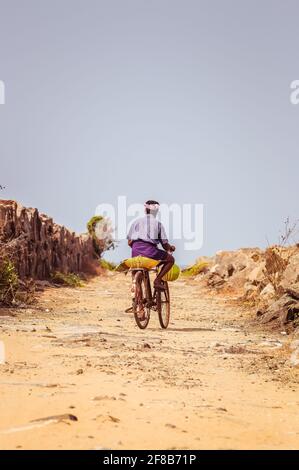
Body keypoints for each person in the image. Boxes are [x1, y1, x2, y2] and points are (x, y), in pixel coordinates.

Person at [127, 200, 175, 290]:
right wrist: (170, 248)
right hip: (150, 252)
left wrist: (137, 246)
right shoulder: (158, 224)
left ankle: (135, 293)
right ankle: (157, 280)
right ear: (156, 211)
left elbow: (129, 242)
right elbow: (165, 245)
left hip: (135, 251)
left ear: (145, 210)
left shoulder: (136, 222)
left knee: (136, 269)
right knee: (170, 259)